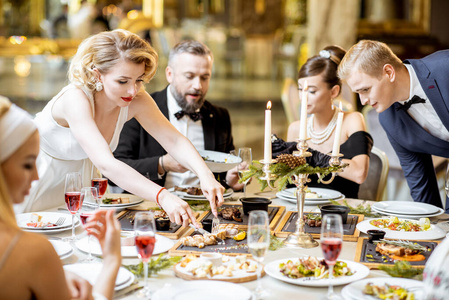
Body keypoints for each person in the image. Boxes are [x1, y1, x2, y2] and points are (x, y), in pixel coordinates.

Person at [16, 29, 224, 227]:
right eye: (122, 81)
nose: (133, 90)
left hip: (78, 193)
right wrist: (163, 196)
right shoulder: (75, 98)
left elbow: (174, 140)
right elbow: (106, 164)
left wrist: (205, 174)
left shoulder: (137, 98)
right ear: (97, 74)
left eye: (139, 80)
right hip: (35, 184)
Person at [0, 97, 121, 300]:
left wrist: (54, 274)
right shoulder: (32, 251)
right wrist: (111, 261)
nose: (37, 176)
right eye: (28, 165)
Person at [113, 39, 244, 192]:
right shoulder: (138, 108)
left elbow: (223, 172)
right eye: (189, 76)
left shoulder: (219, 116)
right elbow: (114, 169)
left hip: (203, 207)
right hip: (151, 207)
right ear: (170, 74)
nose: (198, 86)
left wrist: (231, 180)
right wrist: (161, 164)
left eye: (204, 77)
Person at [338, 40, 449, 211]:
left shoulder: (445, 67)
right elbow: (421, 185)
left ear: (389, 72)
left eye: (365, 89)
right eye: (358, 93)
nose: (363, 101)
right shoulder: (389, 120)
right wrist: (434, 226)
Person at [286, 45, 373, 198]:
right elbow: (287, 186)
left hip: (341, 212)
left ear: (334, 91)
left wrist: (313, 156)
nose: (303, 97)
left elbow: (359, 173)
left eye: (311, 91)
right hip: (302, 210)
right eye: (301, 89)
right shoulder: (295, 129)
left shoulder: (352, 121)